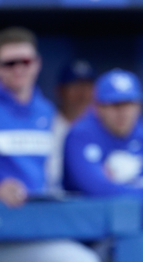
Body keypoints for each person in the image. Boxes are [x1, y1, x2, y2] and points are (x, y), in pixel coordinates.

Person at [0, 27, 100, 262]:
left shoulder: (47, 112)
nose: (19, 68)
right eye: (9, 63)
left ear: (37, 63)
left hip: (41, 224)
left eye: (26, 61)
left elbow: (60, 175)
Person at [63, 69, 143, 240]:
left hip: (139, 231)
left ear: (138, 106)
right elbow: (98, 189)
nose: (122, 112)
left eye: (128, 103)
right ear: (97, 107)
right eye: (114, 104)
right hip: (89, 234)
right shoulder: (81, 134)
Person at [48, 59, 96, 192]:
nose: (82, 94)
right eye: (75, 86)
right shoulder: (45, 125)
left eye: (87, 87)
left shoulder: (104, 130)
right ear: (59, 91)